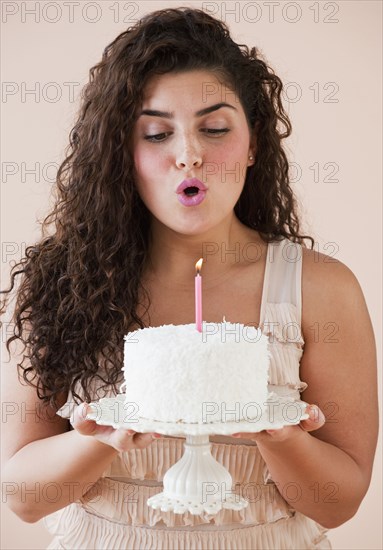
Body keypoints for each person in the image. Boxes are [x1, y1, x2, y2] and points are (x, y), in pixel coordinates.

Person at [0, 7, 378, 550]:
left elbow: (339, 501)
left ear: (252, 144)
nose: (189, 155)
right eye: (156, 134)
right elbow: (21, 497)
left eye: (215, 128)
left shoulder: (320, 289)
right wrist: (105, 439)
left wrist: (281, 436)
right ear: (121, 154)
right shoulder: (60, 284)